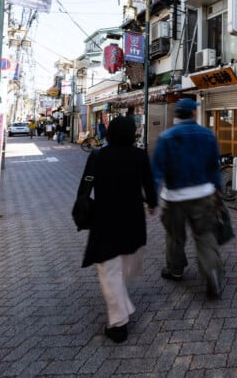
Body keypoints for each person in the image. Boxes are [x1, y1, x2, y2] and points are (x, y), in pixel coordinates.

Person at [77, 116, 157, 343]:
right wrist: (152, 204)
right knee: (123, 267)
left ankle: (119, 323)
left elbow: (85, 186)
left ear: (109, 132)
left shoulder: (97, 156)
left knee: (109, 272)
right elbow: (150, 185)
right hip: (133, 219)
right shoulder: (140, 156)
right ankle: (122, 309)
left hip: (106, 220)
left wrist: (83, 210)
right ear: (133, 134)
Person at [152, 98, 224, 300]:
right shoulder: (208, 135)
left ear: (176, 115)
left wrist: (151, 199)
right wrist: (217, 190)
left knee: (175, 237)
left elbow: (157, 171)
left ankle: (175, 270)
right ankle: (212, 275)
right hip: (203, 194)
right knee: (204, 236)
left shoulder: (166, 137)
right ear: (193, 114)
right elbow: (213, 167)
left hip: (174, 197)